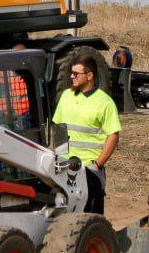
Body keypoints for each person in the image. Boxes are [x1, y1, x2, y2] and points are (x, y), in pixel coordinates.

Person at [51, 53, 120, 213]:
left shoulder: (105, 102)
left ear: (89, 76)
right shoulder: (66, 96)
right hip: (64, 167)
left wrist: (97, 165)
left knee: (90, 221)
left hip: (89, 170)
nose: (72, 76)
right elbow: (59, 128)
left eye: (76, 74)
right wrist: (56, 158)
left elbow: (113, 136)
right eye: (71, 73)